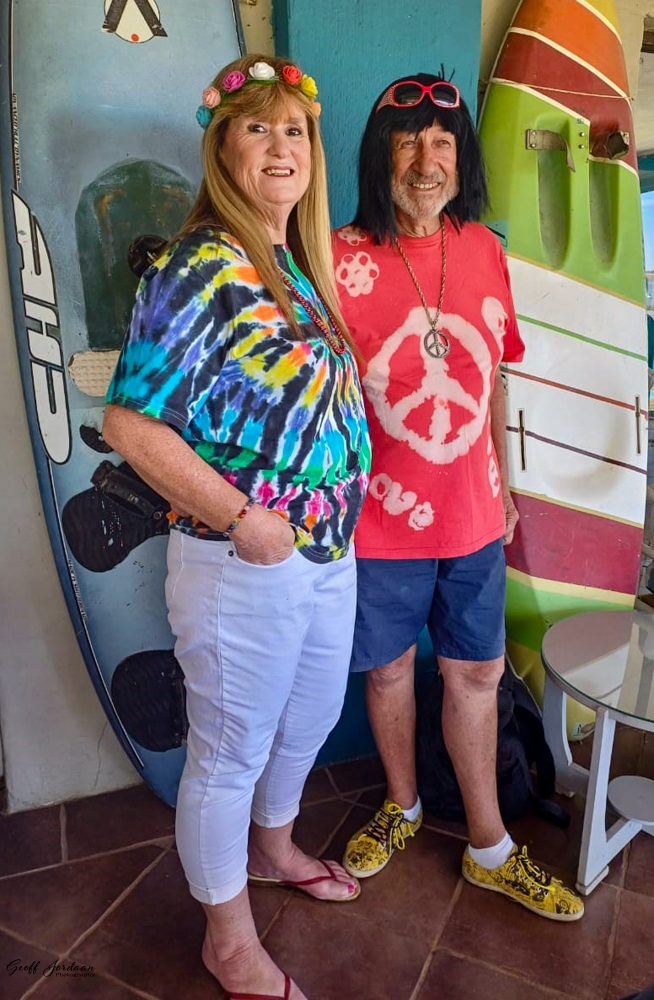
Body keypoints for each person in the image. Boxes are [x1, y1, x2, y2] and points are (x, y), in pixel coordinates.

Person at [103, 54, 371, 1000]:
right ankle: (228, 940)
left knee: (308, 718)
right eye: (258, 127)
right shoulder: (200, 263)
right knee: (228, 753)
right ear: (222, 147)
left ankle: (274, 848)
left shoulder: (291, 264)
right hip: (243, 555)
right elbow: (129, 424)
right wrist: (245, 518)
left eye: (295, 129)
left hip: (326, 547)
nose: (281, 146)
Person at [332, 72, 584, 922]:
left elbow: (495, 376)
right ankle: (401, 806)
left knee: (476, 674)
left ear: (461, 158)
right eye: (408, 141)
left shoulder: (484, 249)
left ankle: (489, 846)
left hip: (474, 514)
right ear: (380, 155)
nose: (426, 161)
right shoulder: (334, 257)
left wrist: (506, 488)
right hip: (377, 518)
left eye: (442, 142)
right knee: (388, 672)